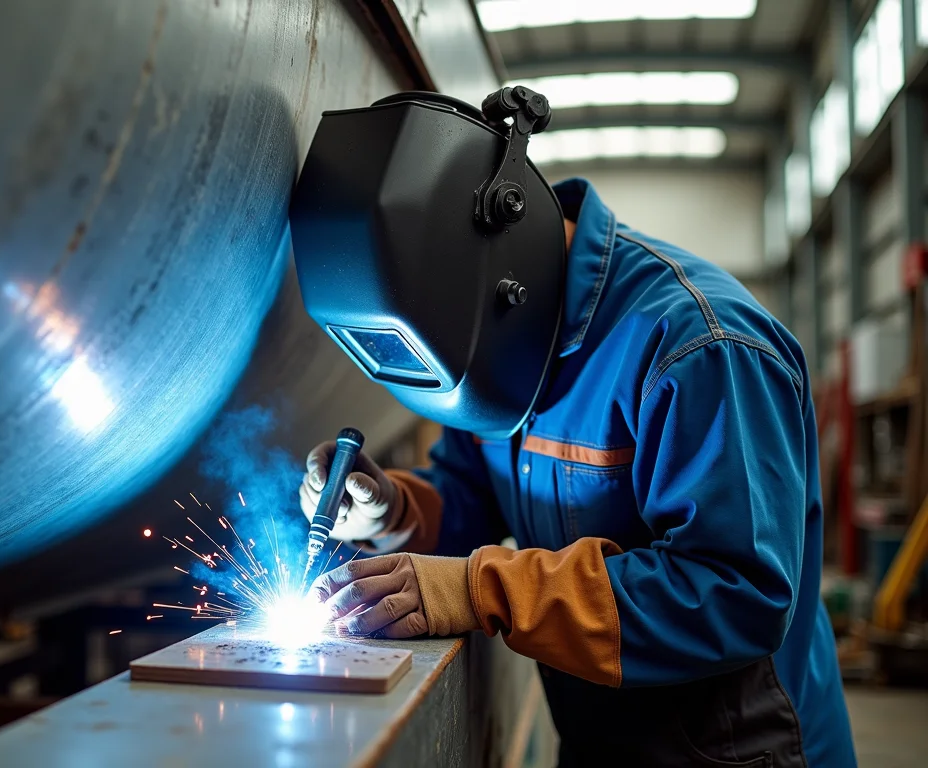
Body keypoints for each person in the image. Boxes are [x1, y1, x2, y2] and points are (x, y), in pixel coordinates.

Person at [289, 91, 855, 767]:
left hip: (736, 753)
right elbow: (471, 495)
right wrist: (397, 508)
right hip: (599, 741)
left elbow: (736, 591)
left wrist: (482, 590)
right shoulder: (505, 353)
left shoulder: (700, 347)